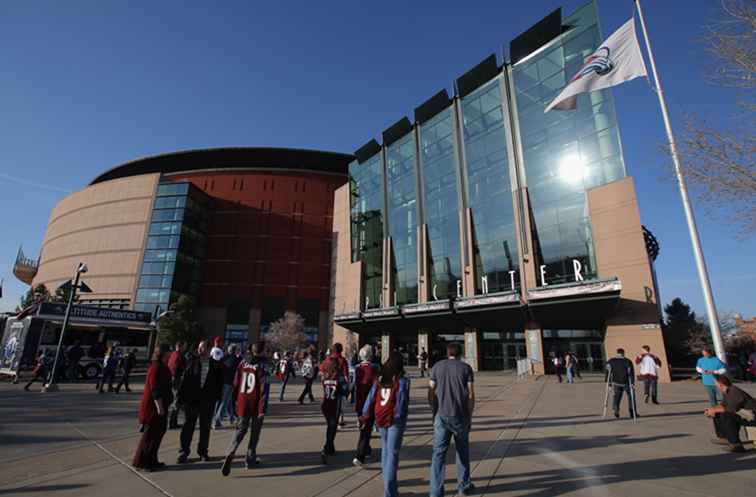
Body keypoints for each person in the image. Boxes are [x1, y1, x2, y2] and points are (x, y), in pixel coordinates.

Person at [359, 351, 410, 497]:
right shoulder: (402, 380)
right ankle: (390, 491)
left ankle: (388, 486)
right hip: (394, 420)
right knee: (393, 454)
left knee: (385, 451)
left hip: (380, 418)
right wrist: (401, 418)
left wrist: (364, 414)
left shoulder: (379, 378)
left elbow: (371, 397)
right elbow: (401, 402)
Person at [429, 343, 475, 497]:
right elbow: (471, 395)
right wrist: (469, 415)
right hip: (460, 415)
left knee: (438, 454)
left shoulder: (436, 367)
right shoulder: (466, 368)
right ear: (460, 354)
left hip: (441, 415)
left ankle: (436, 491)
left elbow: (431, 392)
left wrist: (434, 411)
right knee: (462, 451)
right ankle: (464, 486)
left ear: (447, 352)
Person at [221, 341, 269, 476]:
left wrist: (235, 401)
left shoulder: (242, 363)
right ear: (262, 351)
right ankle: (250, 458)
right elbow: (263, 389)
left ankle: (231, 451)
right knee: (255, 432)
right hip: (255, 403)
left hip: (242, 401)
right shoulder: (262, 366)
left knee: (240, 430)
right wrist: (262, 409)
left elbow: (236, 383)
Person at [176, 340, 224, 463]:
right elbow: (185, 381)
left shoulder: (216, 365)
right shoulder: (192, 362)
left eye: (202, 348)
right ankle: (183, 452)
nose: (200, 350)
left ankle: (203, 452)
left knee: (205, 428)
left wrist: (217, 398)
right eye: (199, 347)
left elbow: (219, 384)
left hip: (208, 401)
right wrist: (180, 399)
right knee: (188, 426)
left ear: (208, 350)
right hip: (192, 400)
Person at [133, 344, 173, 472]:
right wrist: (160, 407)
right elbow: (155, 389)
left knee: (157, 435)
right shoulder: (156, 368)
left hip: (161, 407)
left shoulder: (162, 367)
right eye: (168, 352)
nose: (170, 354)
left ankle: (152, 460)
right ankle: (142, 462)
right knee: (149, 437)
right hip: (153, 409)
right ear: (163, 353)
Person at [705, 374, 756, 453]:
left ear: (721, 384)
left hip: (752, 417)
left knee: (728, 416)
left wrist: (715, 410)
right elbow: (723, 405)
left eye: (715, 383)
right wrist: (711, 410)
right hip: (745, 414)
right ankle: (723, 437)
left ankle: (736, 445)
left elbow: (731, 409)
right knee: (717, 413)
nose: (715, 385)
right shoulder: (727, 391)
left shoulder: (734, 391)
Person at [352, 345, 379, 467]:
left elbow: (353, 384)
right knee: (366, 429)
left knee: (364, 427)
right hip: (370, 402)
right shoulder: (374, 368)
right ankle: (360, 455)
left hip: (359, 401)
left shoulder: (357, 368)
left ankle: (366, 448)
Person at [320, 355, 348, 464]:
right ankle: (326, 448)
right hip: (334, 404)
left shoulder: (325, 376)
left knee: (330, 427)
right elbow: (345, 390)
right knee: (332, 428)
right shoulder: (339, 377)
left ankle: (330, 448)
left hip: (326, 404)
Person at [214, 344, 241, 429]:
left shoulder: (224, 358)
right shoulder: (235, 359)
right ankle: (217, 421)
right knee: (224, 402)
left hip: (223, 382)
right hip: (229, 383)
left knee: (228, 401)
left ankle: (232, 418)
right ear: (234, 351)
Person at [607, 348, 637, 419]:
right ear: (623, 353)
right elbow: (631, 373)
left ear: (617, 353)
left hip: (616, 382)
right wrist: (632, 383)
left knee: (617, 396)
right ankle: (632, 412)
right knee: (631, 397)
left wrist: (609, 384)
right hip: (626, 382)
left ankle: (616, 409)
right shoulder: (628, 361)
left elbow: (608, 372)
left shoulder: (611, 361)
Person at [168, 341, 186, 429]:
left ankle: (173, 421)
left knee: (176, 401)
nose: (184, 348)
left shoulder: (173, 354)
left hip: (172, 378)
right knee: (176, 401)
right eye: (184, 347)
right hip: (176, 379)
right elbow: (178, 368)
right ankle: (172, 422)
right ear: (180, 347)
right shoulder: (179, 356)